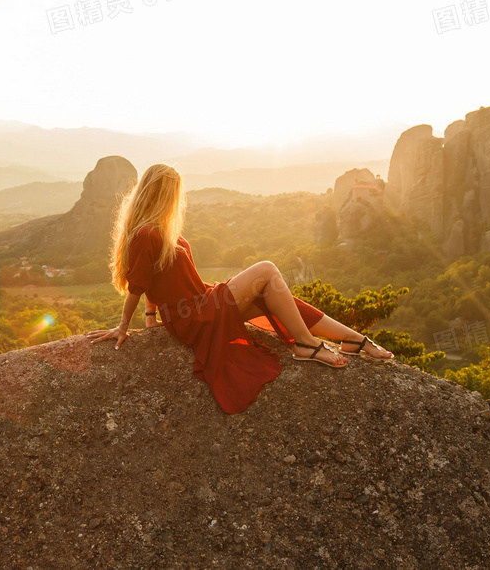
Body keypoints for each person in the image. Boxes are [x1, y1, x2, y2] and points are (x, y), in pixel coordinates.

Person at [86, 163, 393, 414]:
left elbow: (155, 279)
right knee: (267, 270)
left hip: (203, 302)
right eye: (172, 193)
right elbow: (138, 284)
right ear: (160, 193)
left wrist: (152, 315)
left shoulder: (162, 232)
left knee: (274, 294)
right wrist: (124, 326)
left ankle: (355, 340)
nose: (175, 200)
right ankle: (306, 344)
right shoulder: (145, 233)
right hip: (195, 316)